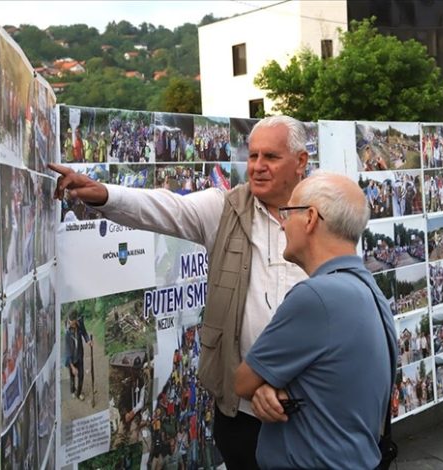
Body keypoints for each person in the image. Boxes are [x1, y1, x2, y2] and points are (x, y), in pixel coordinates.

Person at [49, 115, 309, 468]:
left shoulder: (322, 214)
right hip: (242, 411)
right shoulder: (225, 208)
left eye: (271, 158)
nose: (258, 167)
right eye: (253, 156)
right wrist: (105, 195)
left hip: (309, 408)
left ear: (301, 162)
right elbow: (166, 207)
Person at [232, 172, 396, 469]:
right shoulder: (367, 287)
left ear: (309, 218)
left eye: (287, 213)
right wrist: (272, 386)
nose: (282, 224)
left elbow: (242, 382)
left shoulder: (316, 297)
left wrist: (265, 384)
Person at [64, 310, 91, 401]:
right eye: (70, 322)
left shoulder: (80, 323)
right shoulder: (67, 333)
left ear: (76, 320)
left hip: (79, 355)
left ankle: (79, 393)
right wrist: (72, 366)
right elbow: (67, 352)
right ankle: (72, 390)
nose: (71, 324)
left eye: (72, 322)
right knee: (72, 377)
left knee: (81, 375)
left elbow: (84, 333)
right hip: (71, 359)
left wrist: (88, 341)